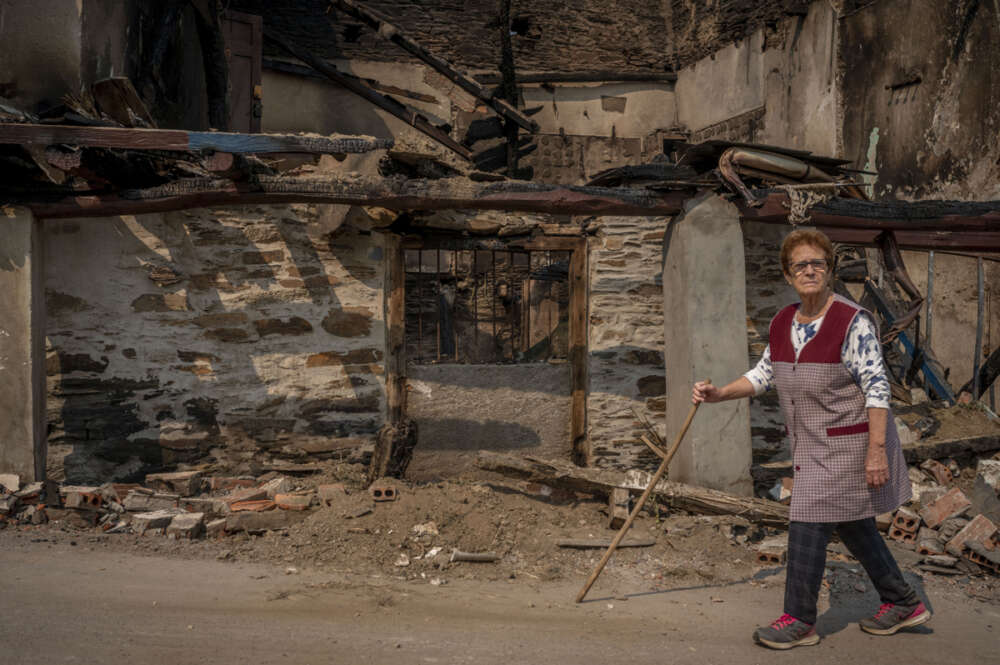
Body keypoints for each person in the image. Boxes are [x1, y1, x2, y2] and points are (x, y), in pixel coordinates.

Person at [691, 229, 931, 650]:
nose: (810, 270)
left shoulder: (853, 321)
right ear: (788, 274)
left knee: (806, 514)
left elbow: (877, 388)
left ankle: (799, 619)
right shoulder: (783, 321)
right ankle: (903, 601)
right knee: (853, 523)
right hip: (812, 446)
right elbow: (766, 372)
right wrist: (720, 394)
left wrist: (877, 452)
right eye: (801, 264)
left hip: (852, 442)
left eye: (818, 263)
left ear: (829, 270)